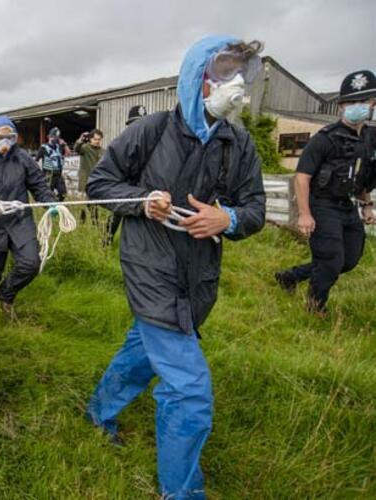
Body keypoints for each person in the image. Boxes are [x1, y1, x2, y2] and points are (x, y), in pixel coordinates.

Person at [85, 36, 267, 499]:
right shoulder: (151, 131)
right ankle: (181, 493)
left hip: (198, 276)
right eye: (226, 69)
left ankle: (97, 412)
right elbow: (100, 183)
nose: (237, 82)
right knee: (189, 391)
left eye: (244, 71)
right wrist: (140, 202)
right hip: (149, 268)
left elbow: (256, 208)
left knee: (141, 351)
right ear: (196, 76)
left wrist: (227, 219)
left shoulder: (238, 144)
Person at [274, 70, 376, 314]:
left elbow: (363, 177)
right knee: (330, 261)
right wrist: (305, 214)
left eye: (362, 101)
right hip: (322, 205)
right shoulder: (324, 139)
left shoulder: (371, 139)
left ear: (373, 103)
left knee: (348, 260)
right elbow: (302, 177)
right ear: (341, 106)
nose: (357, 107)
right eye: (350, 102)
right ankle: (315, 307)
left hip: (348, 205)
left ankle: (291, 276)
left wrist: (367, 205)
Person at [0, 116, 59, 317]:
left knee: (31, 264)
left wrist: (50, 202)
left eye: (10, 137)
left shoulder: (23, 159)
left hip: (19, 220)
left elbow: (38, 184)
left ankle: (6, 294)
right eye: (1, 137)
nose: (5, 142)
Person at [103, 106, 150, 244]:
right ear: (129, 125)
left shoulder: (153, 142)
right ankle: (106, 242)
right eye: (135, 123)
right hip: (125, 188)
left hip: (145, 189)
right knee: (116, 216)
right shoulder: (121, 143)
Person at [74, 128, 104, 225]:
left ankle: (95, 223)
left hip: (96, 182)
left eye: (99, 139)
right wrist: (80, 140)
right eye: (95, 139)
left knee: (93, 204)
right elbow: (76, 149)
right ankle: (82, 223)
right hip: (85, 181)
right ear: (90, 139)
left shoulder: (103, 151)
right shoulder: (85, 148)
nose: (97, 141)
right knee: (82, 204)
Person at [36, 127, 69, 201]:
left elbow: (68, 153)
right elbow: (36, 160)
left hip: (58, 174)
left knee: (63, 193)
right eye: (54, 136)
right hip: (48, 174)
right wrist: (38, 173)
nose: (55, 138)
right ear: (49, 136)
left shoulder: (59, 146)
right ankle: (49, 207)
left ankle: (58, 204)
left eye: (57, 137)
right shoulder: (43, 147)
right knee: (48, 194)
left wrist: (64, 144)